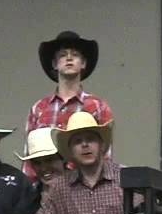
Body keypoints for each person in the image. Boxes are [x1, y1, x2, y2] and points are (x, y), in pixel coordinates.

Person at [25, 30, 113, 178]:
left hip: (85, 190)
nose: (69, 58)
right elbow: (30, 157)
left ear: (83, 63)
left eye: (75, 55)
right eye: (63, 55)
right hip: (46, 189)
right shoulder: (39, 109)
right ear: (54, 64)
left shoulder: (98, 106)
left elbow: (105, 155)